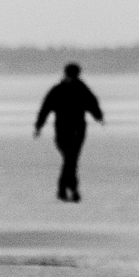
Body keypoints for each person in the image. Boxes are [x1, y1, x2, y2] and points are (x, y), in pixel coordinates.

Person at [34, 63, 104, 202]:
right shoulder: (80, 88)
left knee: (70, 159)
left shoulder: (59, 89)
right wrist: (99, 117)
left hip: (65, 128)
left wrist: (39, 126)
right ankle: (69, 189)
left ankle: (67, 190)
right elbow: (92, 104)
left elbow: (45, 108)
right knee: (71, 159)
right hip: (75, 129)